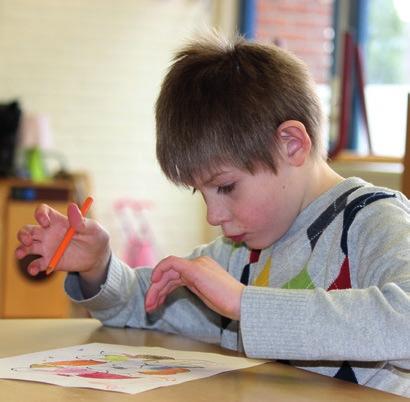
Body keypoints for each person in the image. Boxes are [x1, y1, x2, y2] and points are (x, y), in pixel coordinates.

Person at [15, 32, 410, 397]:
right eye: (200, 193)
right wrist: (98, 267)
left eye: (225, 186)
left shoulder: (373, 221)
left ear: (291, 144)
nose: (214, 216)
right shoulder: (237, 255)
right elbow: (142, 305)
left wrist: (245, 304)